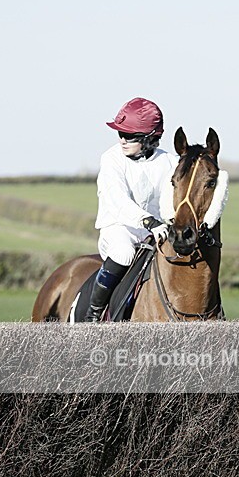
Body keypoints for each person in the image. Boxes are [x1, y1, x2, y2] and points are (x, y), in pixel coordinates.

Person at [84, 97, 177, 322]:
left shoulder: (171, 162)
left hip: (156, 231)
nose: (122, 140)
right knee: (123, 254)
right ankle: (93, 314)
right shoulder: (111, 159)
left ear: (149, 139)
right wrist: (147, 221)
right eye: (120, 134)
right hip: (118, 228)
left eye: (129, 136)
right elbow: (117, 200)